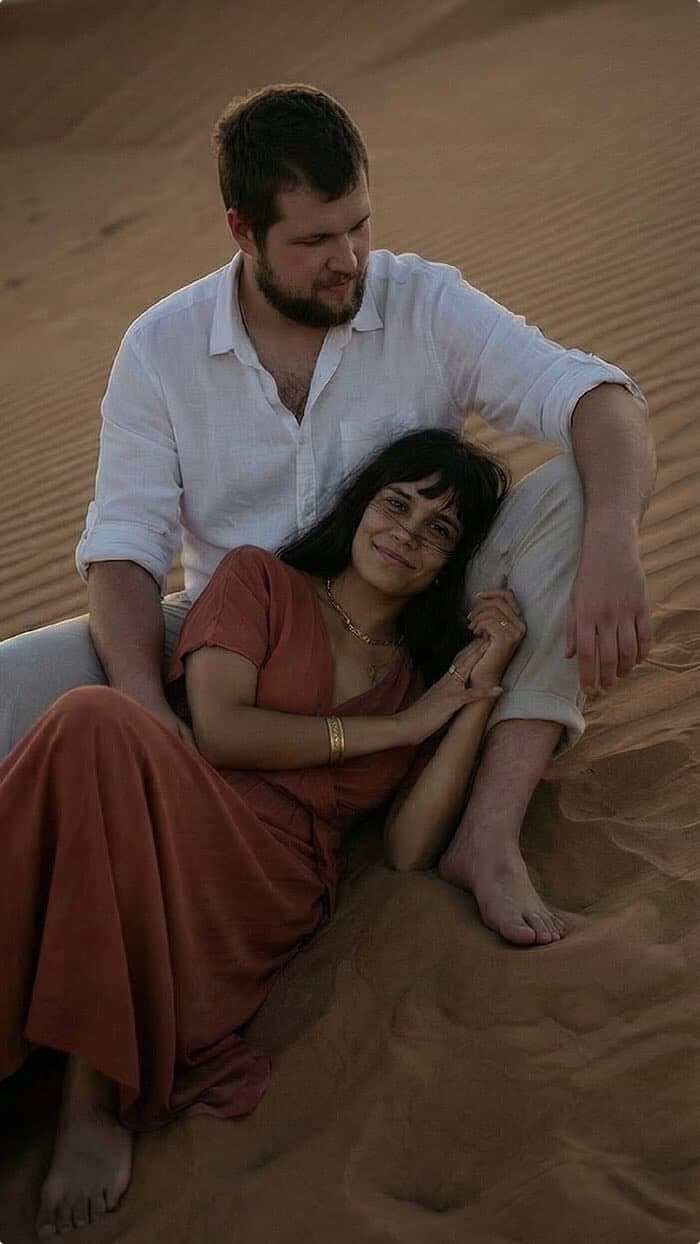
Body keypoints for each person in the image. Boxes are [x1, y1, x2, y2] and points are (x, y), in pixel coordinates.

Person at [0, 83, 655, 950]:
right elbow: (124, 550)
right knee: (14, 686)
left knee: (581, 487)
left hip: (412, 619)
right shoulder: (161, 350)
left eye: (360, 225)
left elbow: (598, 398)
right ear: (241, 230)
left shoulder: (424, 302)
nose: (348, 258)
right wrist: (143, 712)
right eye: (314, 240)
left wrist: (614, 540)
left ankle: (488, 836)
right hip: (235, 640)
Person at [1, 430, 533, 1238]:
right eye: (398, 504)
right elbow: (218, 732)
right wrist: (394, 732)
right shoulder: (261, 580)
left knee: (90, 724)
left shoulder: (417, 680)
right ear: (363, 506)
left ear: (449, 562)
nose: (407, 533)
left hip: (266, 887)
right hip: (181, 800)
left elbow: (408, 847)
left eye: (439, 530)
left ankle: (92, 1101)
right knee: (92, 724)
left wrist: (477, 690)